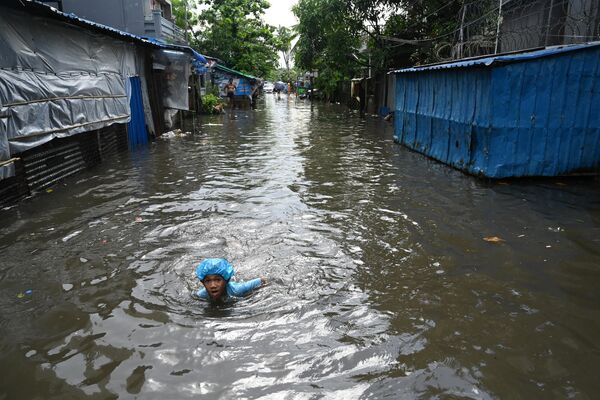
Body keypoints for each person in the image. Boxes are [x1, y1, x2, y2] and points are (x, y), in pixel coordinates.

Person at [196, 258, 265, 302]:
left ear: (227, 280)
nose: (213, 285)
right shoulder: (201, 295)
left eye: (218, 280)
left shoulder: (237, 290)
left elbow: (262, 280)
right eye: (208, 281)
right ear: (202, 282)